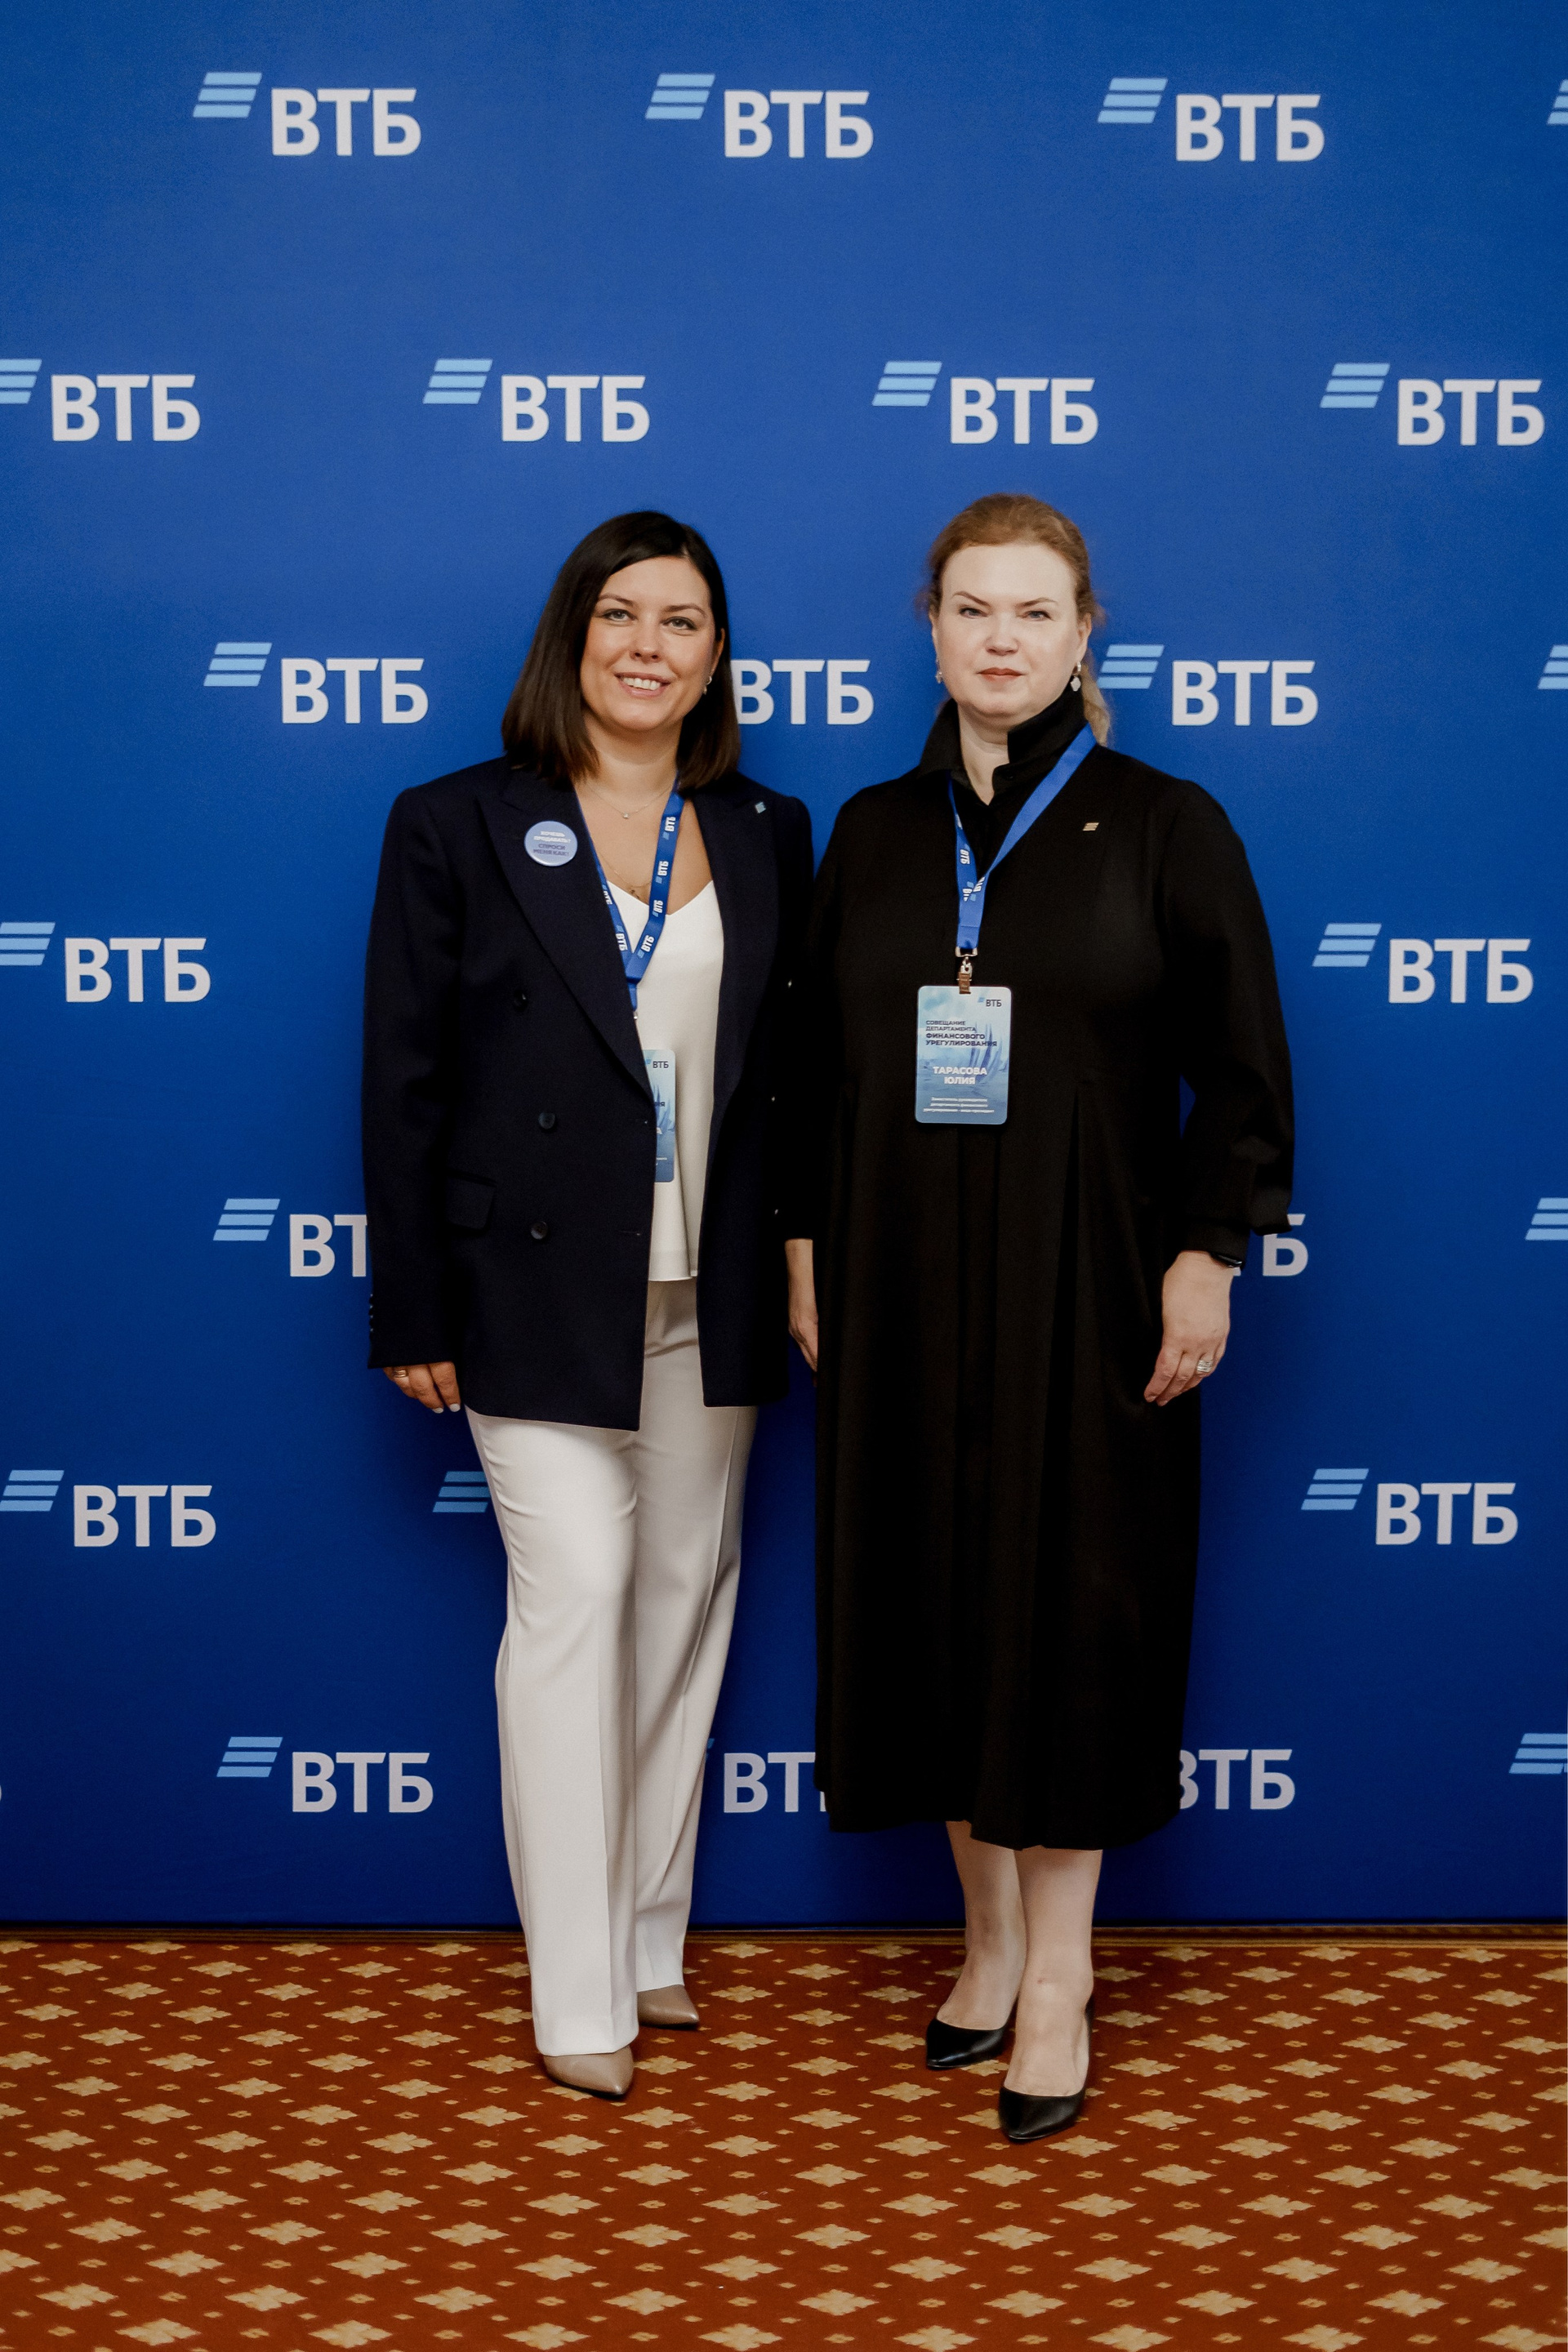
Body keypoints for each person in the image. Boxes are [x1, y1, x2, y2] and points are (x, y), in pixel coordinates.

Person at [786, 493, 1293, 2142]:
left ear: (1084, 636)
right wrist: (804, 1245)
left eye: (1035, 611)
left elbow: (1245, 1070)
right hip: (897, 1278)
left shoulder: (1166, 824)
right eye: (972, 608)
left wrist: (1208, 1252)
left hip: (1092, 1284)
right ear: (929, 628)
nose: (1000, 638)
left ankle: (1062, 1977)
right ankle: (988, 1940)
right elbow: (808, 1071)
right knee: (935, 1595)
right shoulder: (871, 831)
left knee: (1066, 1611)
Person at [363, 511, 813, 2100]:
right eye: (621, 614)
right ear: (573, 634)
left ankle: (644, 1936)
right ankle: (575, 1993)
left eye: (681, 621)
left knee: (684, 1603)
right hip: (528, 1289)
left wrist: (807, 1258)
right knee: (578, 1604)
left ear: (716, 654)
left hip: (713, 1284)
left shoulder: (765, 828)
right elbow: (403, 1082)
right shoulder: (456, 822)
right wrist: (412, 1304)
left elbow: (794, 1081)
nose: (647, 646)